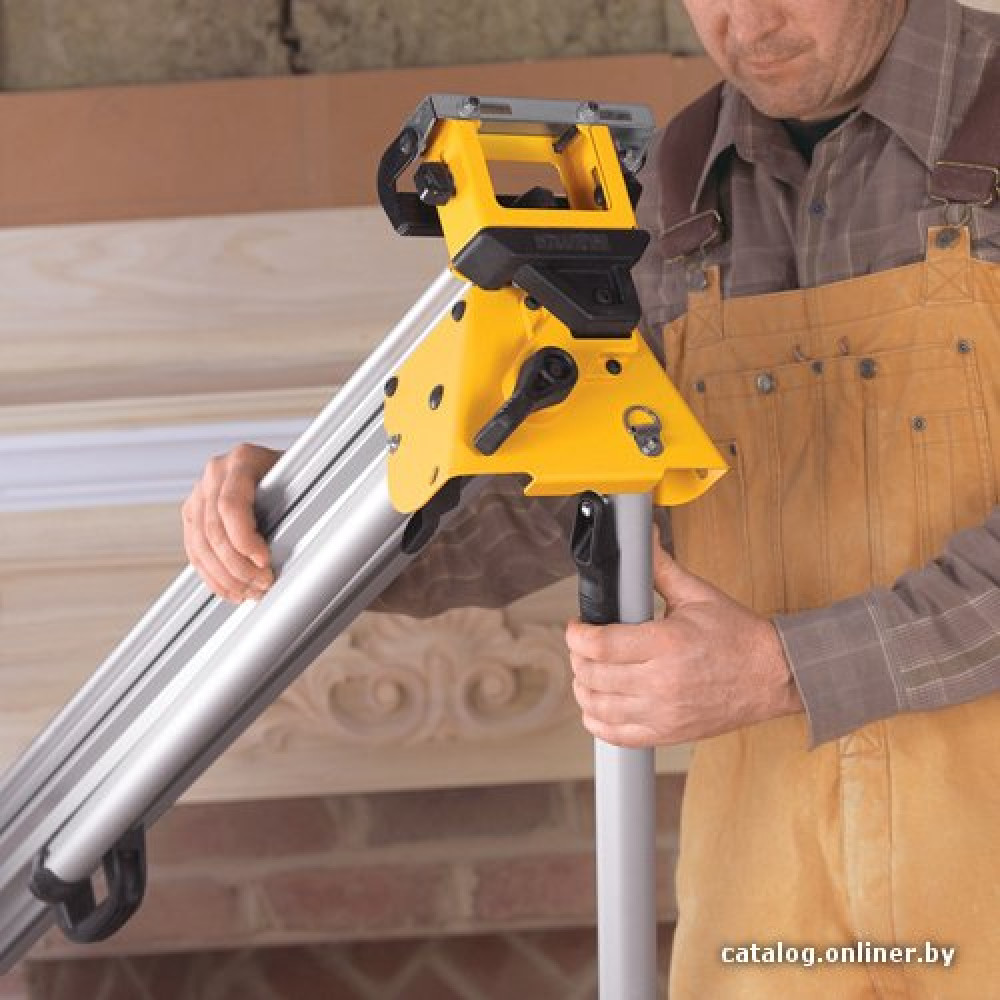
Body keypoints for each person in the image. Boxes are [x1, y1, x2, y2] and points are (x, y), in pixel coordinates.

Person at [182, 0, 1000, 994]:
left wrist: (785, 670)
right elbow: (547, 499)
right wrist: (304, 510)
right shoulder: (673, 185)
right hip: (774, 887)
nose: (746, 21)